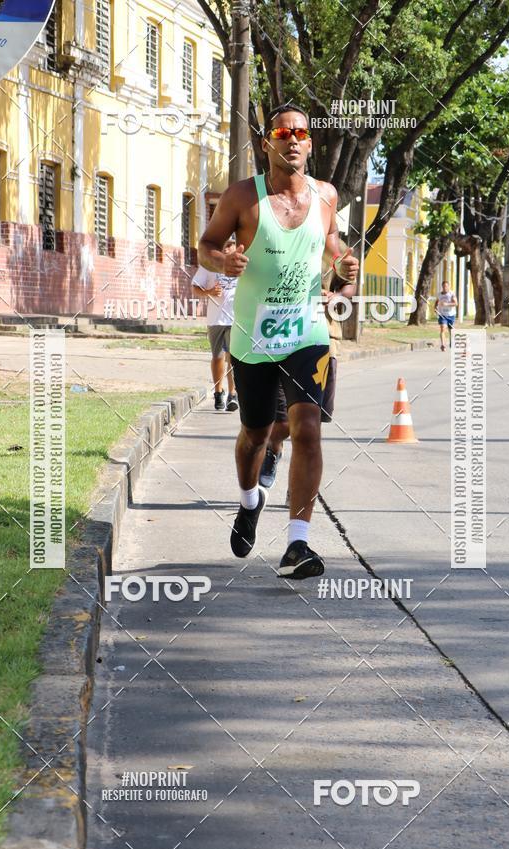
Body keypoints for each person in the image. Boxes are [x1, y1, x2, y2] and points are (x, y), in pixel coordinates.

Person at [198, 103, 359, 579]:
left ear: (310, 144)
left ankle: (297, 545)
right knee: (255, 434)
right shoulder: (242, 198)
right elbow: (206, 244)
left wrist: (345, 275)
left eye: (301, 133)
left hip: (308, 331)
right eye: (282, 132)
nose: (292, 139)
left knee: (308, 427)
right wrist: (221, 262)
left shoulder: (325, 195)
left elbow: (335, 249)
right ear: (267, 142)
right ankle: (250, 502)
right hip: (252, 338)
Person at [260, 270, 352, 496]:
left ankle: (296, 488)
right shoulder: (275, 237)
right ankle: (273, 448)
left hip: (323, 340)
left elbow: (349, 286)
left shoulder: (334, 249)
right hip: (282, 339)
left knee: (311, 425)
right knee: (281, 422)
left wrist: (335, 295)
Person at [192, 238, 239, 411]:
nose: (227, 249)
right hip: (215, 319)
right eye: (224, 245)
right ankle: (219, 392)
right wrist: (209, 292)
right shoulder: (209, 266)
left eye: (230, 245)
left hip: (236, 319)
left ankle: (233, 395)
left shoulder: (241, 266)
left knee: (233, 358)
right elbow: (195, 287)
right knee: (218, 357)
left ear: (235, 247)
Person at [435, 280, 457, 351]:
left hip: (451, 315)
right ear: (442, 287)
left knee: (451, 330)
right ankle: (443, 344)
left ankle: (452, 342)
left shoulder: (451, 294)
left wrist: (447, 304)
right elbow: (437, 302)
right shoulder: (439, 294)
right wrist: (435, 308)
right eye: (444, 286)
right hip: (442, 315)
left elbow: (455, 303)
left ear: (449, 286)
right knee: (442, 328)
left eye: (446, 286)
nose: (445, 288)